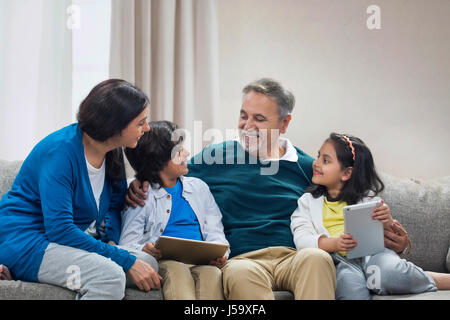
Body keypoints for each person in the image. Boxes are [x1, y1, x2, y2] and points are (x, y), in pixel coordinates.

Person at [126, 78, 411, 299]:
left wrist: (391, 236)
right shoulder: (215, 158)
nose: (247, 126)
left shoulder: (309, 168)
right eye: (243, 115)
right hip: (243, 260)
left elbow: (350, 205)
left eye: (259, 119)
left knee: (316, 257)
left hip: (294, 257)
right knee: (238, 273)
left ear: (285, 123)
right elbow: (166, 170)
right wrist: (139, 181)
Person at [0, 79, 162, 299]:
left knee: (147, 263)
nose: (147, 128)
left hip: (60, 242)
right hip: (28, 242)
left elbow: (113, 206)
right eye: (140, 122)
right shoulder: (60, 154)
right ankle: (21, 269)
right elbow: (60, 229)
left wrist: (111, 243)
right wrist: (122, 259)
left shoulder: (111, 150)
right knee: (110, 276)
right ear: (115, 125)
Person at [290, 133, 450, 299]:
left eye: (325, 160)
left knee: (392, 273)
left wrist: (387, 221)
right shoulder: (307, 203)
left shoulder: (367, 198)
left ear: (346, 173)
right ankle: (372, 281)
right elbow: (302, 240)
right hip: (340, 262)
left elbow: (386, 236)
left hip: (374, 255)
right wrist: (335, 244)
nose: (315, 163)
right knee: (349, 290)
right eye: (318, 157)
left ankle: (436, 280)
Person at [119, 121, 229, 300]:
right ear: (158, 159)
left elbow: (215, 232)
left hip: (201, 262)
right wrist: (143, 250)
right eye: (178, 151)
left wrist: (220, 254)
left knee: (212, 274)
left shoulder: (199, 188)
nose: (186, 153)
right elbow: (127, 243)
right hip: (165, 262)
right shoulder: (141, 195)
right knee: (177, 271)